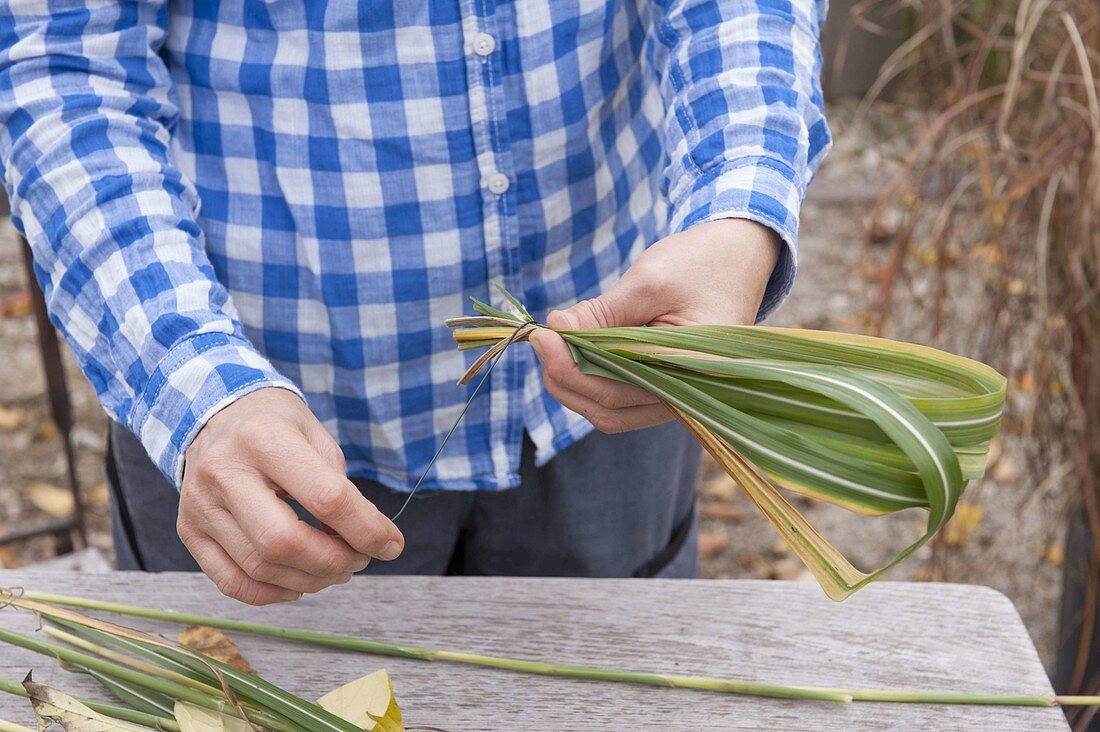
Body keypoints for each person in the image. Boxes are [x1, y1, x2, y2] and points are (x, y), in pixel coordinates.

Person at [0, 1, 830, 604]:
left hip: (623, 373)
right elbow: (60, 65)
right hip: (255, 435)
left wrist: (737, 214)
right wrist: (190, 378)